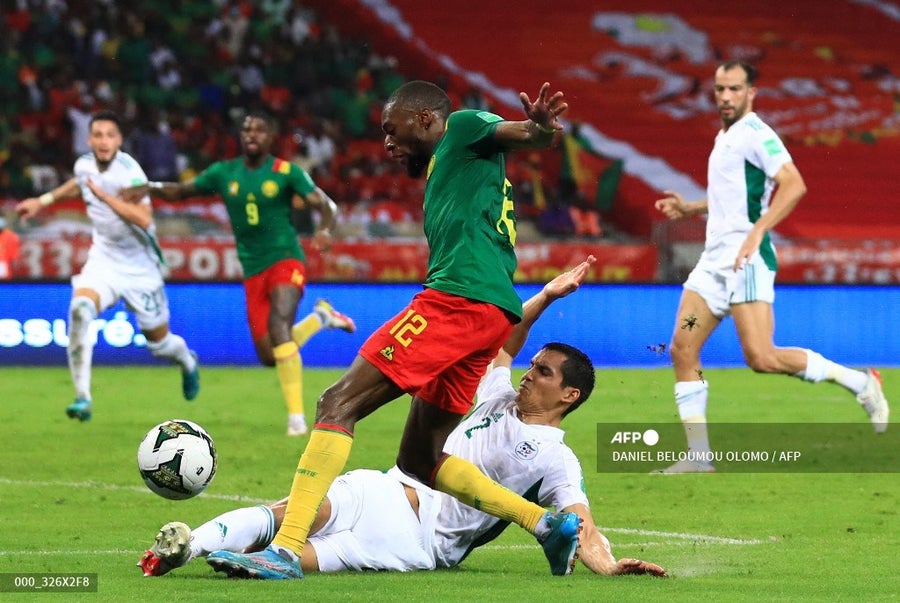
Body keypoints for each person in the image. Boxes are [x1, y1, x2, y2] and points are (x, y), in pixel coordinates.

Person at [207, 81, 583, 580]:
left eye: (392, 129)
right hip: (490, 311)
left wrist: (539, 128)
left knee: (337, 403)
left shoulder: (463, 127)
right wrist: (537, 133)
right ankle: (545, 525)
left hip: (458, 299)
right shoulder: (452, 165)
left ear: (425, 118)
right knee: (420, 460)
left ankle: (285, 550)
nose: (386, 142)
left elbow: (523, 135)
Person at [139, 259, 667, 578]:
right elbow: (506, 340)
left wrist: (609, 564)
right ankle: (187, 546)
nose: (529, 374)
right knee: (294, 522)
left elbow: (581, 524)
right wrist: (547, 296)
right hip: (389, 490)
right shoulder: (497, 392)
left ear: (570, 394)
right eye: (533, 366)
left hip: (422, 541)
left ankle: (212, 549)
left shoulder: (557, 458)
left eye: (544, 373)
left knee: (296, 544)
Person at [653, 60, 890, 473]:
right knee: (682, 348)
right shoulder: (725, 136)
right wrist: (691, 208)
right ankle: (698, 455)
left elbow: (794, 183)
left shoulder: (757, 134)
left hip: (746, 261)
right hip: (713, 263)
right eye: (720, 89)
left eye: (735, 89)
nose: (726, 96)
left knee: (762, 358)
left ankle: (861, 381)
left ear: (751, 93)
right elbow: (734, 197)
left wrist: (758, 230)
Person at [126, 112, 356, 437]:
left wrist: (325, 229)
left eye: (259, 130)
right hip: (252, 269)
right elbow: (182, 191)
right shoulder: (225, 172)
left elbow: (327, 205)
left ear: (271, 137)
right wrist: (149, 186)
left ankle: (296, 419)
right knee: (269, 355)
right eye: (247, 129)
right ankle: (321, 317)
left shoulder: (286, 172)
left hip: (286, 259)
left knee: (279, 327)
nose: (252, 134)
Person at [15, 109, 200, 422]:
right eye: (98, 135)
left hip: (140, 268)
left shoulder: (130, 173)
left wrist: (107, 198)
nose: (103, 141)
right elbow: (79, 184)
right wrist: (42, 201)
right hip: (104, 260)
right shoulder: (84, 165)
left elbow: (144, 219)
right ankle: (82, 398)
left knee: (160, 345)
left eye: (110, 136)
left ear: (119, 140)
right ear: (89, 140)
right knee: (80, 310)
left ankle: (187, 361)